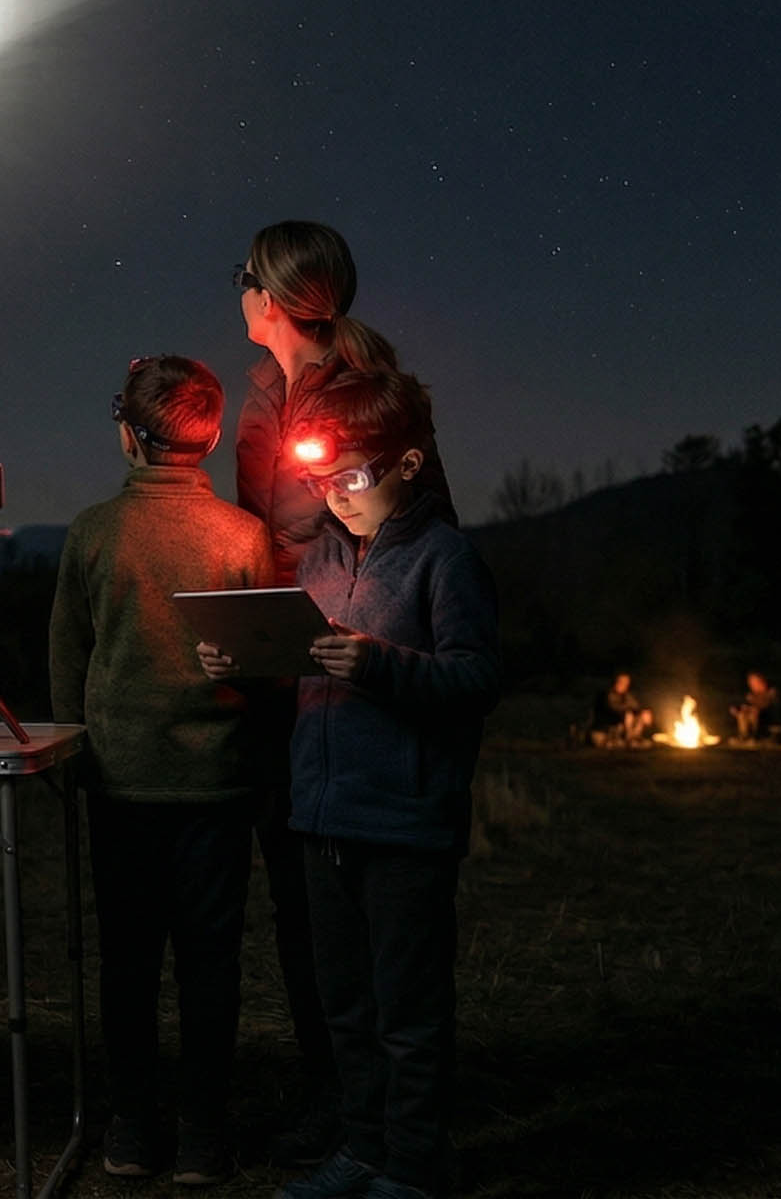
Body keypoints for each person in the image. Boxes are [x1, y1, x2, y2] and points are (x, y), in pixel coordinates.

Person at [200, 368, 500, 1199]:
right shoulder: (321, 558)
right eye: (320, 480)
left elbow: (476, 680)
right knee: (346, 1009)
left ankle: (415, 1164)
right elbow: (299, 673)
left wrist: (380, 665)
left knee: (406, 1010)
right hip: (322, 816)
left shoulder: (445, 560)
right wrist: (244, 667)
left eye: (354, 476)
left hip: (404, 821)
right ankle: (363, 1149)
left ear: (407, 463)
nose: (336, 496)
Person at [227, 220, 455, 1162]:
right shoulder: (263, 399)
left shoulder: (363, 398)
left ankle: (371, 1115)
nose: (234, 292)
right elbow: (255, 536)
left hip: (349, 669)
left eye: (240, 277)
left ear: (269, 297)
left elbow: (416, 532)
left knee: (337, 896)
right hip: (287, 665)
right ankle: (346, 1101)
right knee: (301, 895)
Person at [48, 355, 283, 1186]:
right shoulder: (244, 535)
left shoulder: (93, 534)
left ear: (128, 438)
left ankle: (130, 1129)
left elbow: (67, 661)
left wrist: (75, 755)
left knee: (128, 961)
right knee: (210, 962)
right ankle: (204, 1134)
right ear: (211, 437)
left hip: (122, 783)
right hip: (216, 783)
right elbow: (268, 664)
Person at [590, 674, 653, 747]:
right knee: (628, 715)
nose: (624, 685)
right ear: (615, 682)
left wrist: (643, 713)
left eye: (626, 683)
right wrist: (629, 710)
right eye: (621, 682)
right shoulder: (606, 696)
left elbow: (636, 707)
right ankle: (629, 740)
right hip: (606, 730)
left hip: (621, 730)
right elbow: (614, 709)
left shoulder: (627, 696)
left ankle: (634, 738)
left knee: (642, 715)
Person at [729, 671, 781, 742]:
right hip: (751, 717)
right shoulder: (751, 696)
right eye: (752, 683)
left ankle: (754, 736)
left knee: (753, 713)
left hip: (768, 718)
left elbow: (770, 707)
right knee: (742, 714)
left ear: (763, 682)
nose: (754, 685)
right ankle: (744, 736)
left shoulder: (771, 693)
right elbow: (744, 705)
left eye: (756, 682)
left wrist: (755, 708)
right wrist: (738, 709)